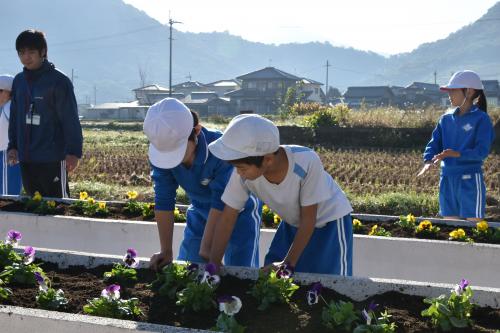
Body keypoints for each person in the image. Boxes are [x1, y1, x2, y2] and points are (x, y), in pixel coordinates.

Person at [207, 114, 353, 275]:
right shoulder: (244, 171)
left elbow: (309, 218)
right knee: (270, 275)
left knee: (330, 282)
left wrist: (287, 264)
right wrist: (213, 264)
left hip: (329, 222)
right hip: (294, 223)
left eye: (241, 168)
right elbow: (228, 217)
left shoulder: (306, 161)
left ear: (268, 159)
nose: (238, 173)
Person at [143, 98, 261, 271]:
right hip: (199, 211)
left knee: (240, 274)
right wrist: (166, 250)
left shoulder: (221, 150)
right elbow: (164, 200)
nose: (173, 160)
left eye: (178, 150)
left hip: (237, 214)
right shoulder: (161, 153)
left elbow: (221, 201)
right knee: (189, 270)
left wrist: (208, 249)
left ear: (196, 131)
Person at [8, 29, 83, 198]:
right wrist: (13, 146)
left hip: (52, 158)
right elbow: (15, 117)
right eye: (22, 52)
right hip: (26, 158)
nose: (26, 57)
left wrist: (74, 152)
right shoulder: (19, 81)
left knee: (58, 206)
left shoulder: (58, 81)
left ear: (43, 52)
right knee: (33, 205)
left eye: (31, 52)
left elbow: (70, 119)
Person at [418, 70, 495, 221]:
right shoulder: (445, 119)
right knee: (451, 228)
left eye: (453, 90)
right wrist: (428, 160)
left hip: (469, 180)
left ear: (470, 91)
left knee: (474, 229)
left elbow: (481, 151)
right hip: (446, 179)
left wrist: (457, 154)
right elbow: (434, 143)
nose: (449, 94)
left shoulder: (482, 119)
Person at [0, 75, 22, 195]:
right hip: (6, 153)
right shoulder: (5, 107)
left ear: (9, 92)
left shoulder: (10, 107)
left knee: (7, 195)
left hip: (7, 154)